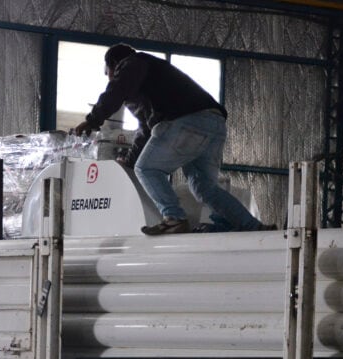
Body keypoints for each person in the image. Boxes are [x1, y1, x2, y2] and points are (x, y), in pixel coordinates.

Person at [74, 43, 263, 235]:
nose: (109, 78)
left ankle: (174, 218)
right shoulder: (151, 78)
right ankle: (252, 226)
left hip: (186, 122)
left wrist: (92, 120)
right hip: (214, 123)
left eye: (107, 73)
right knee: (204, 188)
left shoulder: (133, 63)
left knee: (146, 169)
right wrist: (129, 161)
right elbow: (146, 129)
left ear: (114, 64)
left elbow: (116, 90)